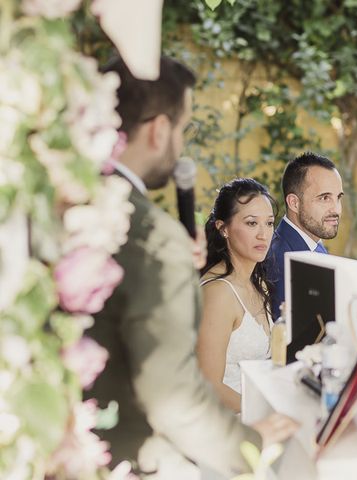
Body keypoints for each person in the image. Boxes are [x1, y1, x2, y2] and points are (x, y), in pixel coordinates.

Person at [86, 56, 297, 479]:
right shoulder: (150, 233)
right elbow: (173, 395)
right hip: (127, 453)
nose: (180, 144)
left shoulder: (79, 199)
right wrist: (251, 445)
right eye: (182, 129)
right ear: (159, 130)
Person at [198, 178, 275, 413]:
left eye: (269, 223)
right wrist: (267, 414)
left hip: (258, 403)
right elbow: (208, 384)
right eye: (252, 223)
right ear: (223, 228)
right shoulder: (218, 293)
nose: (263, 234)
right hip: (230, 420)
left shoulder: (256, 282)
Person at [267, 152, 343, 359]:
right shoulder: (281, 259)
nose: (336, 209)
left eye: (338, 198)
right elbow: (290, 344)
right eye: (325, 198)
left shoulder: (312, 245)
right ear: (294, 203)